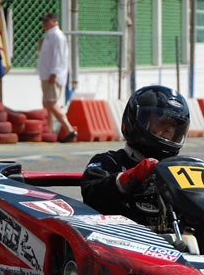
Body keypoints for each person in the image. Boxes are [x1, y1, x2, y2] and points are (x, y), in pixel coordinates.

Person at [81, 85, 190, 225]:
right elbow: (92, 196)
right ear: (138, 121)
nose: (169, 129)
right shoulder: (108, 161)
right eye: (162, 121)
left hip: (173, 239)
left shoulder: (178, 169)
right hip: (121, 238)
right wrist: (131, 177)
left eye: (174, 125)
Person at [36, 12, 77, 143]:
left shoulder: (57, 36)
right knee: (47, 104)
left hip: (52, 75)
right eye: (43, 21)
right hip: (46, 74)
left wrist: (54, 73)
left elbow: (59, 57)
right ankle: (49, 130)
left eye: (46, 21)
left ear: (54, 21)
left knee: (51, 103)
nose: (44, 24)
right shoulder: (48, 36)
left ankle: (69, 129)